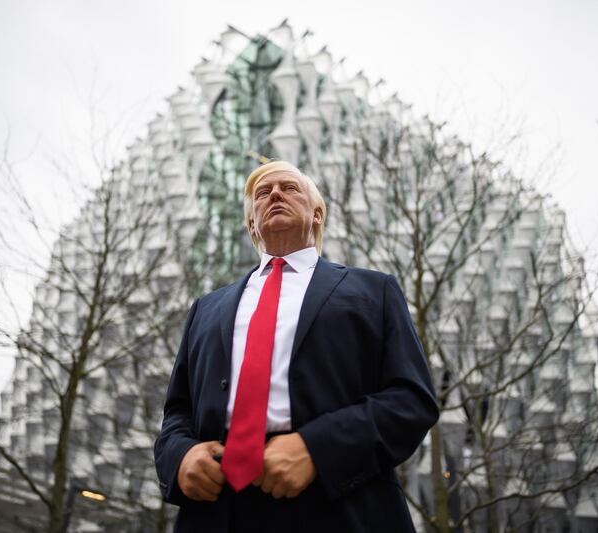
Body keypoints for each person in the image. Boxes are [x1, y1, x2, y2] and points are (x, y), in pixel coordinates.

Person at [154, 160, 439, 533]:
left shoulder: (375, 291)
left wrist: (318, 449)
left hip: (340, 502)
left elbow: (411, 399)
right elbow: (178, 411)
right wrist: (180, 458)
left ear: (317, 213)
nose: (274, 194)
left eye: (289, 188)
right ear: (251, 224)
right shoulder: (206, 309)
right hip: (217, 509)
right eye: (262, 193)